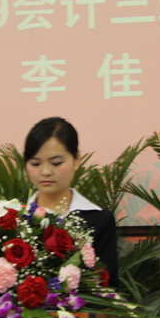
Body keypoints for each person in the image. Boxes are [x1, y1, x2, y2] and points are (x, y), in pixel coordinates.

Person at [24, 117, 119, 289]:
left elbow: (107, 287)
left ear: (76, 160)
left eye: (56, 163)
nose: (45, 172)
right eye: (35, 163)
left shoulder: (99, 219)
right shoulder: (12, 217)